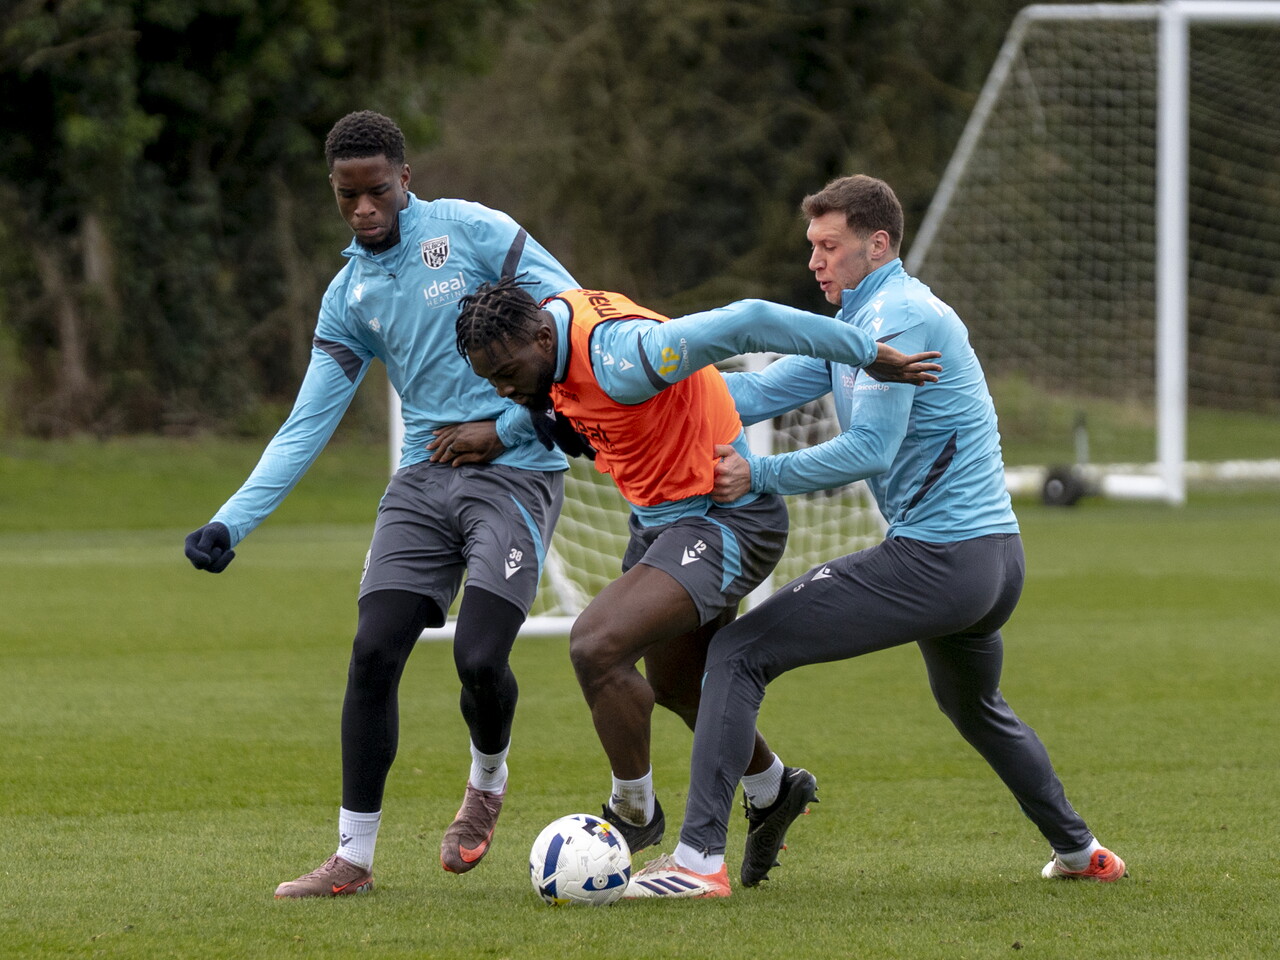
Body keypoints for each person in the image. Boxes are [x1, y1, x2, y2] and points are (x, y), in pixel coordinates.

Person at [625, 174, 1128, 900]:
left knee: (736, 653)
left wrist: (758, 473)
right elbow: (753, 392)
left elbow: (871, 450)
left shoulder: (902, 316)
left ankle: (698, 863)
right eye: (812, 247)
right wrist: (636, 388)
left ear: (878, 244)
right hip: (986, 565)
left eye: (830, 246)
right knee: (974, 708)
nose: (815, 261)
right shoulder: (855, 324)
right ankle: (1081, 851)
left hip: (943, 560)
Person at [183, 111, 580, 898]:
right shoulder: (348, 295)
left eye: (377, 191)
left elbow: (574, 313)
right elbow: (307, 424)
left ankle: (487, 781)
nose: (364, 209)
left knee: (479, 660)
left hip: (519, 473)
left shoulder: (473, 231)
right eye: (347, 196)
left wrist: (504, 426)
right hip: (421, 486)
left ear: (405, 179)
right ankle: (352, 860)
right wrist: (233, 519)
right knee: (372, 653)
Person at [454, 278, 941, 858]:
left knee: (594, 645)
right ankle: (773, 788)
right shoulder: (546, 336)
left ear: (541, 336)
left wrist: (869, 354)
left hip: (728, 518)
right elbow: (559, 408)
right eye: (491, 381)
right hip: (662, 521)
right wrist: (502, 431)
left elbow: (748, 318)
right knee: (679, 685)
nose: (504, 389)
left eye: (508, 373)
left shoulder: (627, 356)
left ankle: (633, 812)